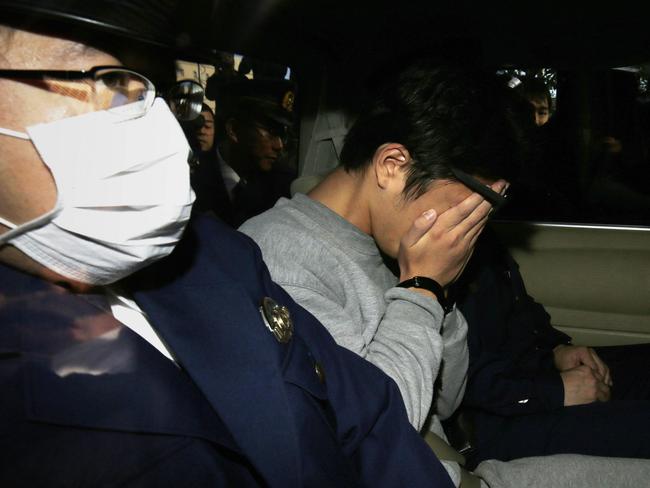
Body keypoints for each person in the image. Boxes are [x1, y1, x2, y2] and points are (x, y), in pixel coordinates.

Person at [0, 1, 459, 486]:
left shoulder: (215, 256)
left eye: (157, 86)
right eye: (109, 81)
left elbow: (369, 418)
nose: (151, 121)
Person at [240, 63, 650, 486]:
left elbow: (446, 402)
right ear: (393, 166)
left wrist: (439, 295)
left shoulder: (395, 239)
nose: (472, 228)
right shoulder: (277, 263)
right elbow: (370, 438)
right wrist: (422, 290)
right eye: (469, 207)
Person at [450, 225, 650, 468]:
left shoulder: (479, 233)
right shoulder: (429, 256)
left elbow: (519, 308)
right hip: (485, 425)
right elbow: (455, 380)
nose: (502, 189)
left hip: (528, 373)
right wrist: (556, 391)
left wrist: (556, 348)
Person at [214, 77, 297, 226]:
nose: (279, 145)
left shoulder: (285, 185)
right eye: (271, 131)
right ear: (233, 130)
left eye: (282, 134)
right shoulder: (191, 178)